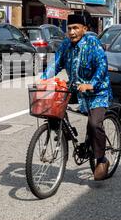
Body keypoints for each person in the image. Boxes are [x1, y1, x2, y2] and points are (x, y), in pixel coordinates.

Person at [42, 19, 113, 181]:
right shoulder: (66, 44)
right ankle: (65, 133)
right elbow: (56, 64)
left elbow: (102, 65)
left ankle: (102, 159)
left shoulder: (92, 43)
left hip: (97, 91)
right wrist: (44, 79)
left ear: (84, 29)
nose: (72, 32)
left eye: (76, 28)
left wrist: (91, 84)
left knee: (94, 124)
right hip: (75, 88)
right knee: (53, 105)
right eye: (70, 28)